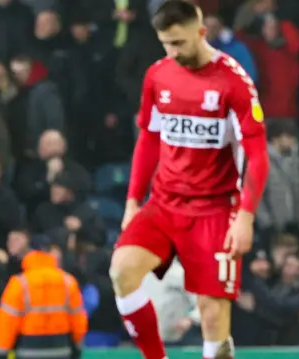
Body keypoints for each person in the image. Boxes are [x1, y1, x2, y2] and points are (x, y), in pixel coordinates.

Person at [109, 2, 270, 359]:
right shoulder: (157, 75)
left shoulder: (233, 82)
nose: (173, 51)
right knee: (122, 271)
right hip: (164, 203)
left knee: (213, 315)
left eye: (179, 42)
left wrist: (246, 216)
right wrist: (133, 201)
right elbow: (149, 139)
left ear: (201, 31)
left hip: (216, 210)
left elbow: (257, 153)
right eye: (166, 43)